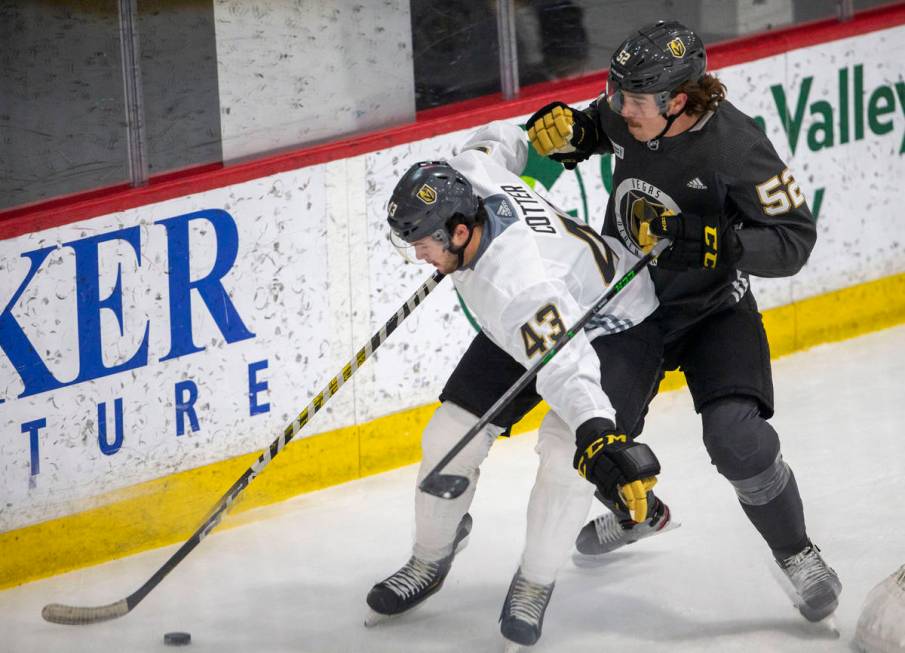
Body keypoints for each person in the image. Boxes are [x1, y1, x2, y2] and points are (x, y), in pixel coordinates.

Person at [525, 20, 842, 623]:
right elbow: (597, 128)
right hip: (629, 310)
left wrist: (720, 244)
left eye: (633, 100)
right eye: (614, 95)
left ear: (678, 100)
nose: (620, 108)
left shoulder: (735, 145)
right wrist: (575, 130)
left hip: (711, 310)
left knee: (737, 439)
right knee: (589, 436)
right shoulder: (628, 109)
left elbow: (795, 240)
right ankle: (640, 513)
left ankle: (798, 554)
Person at [365, 120, 663, 649]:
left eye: (424, 243)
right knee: (446, 440)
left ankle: (535, 581)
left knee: (565, 452)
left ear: (460, 231)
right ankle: (430, 559)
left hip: (617, 326)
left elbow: (567, 364)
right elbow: (504, 143)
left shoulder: (517, 285)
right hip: (544, 314)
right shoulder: (467, 173)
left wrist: (596, 429)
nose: (418, 256)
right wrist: (537, 134)